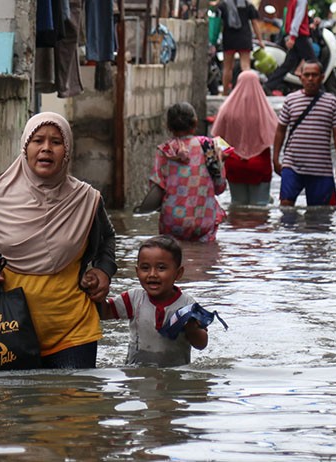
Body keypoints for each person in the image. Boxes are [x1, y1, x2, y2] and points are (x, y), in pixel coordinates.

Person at [0, 112, 117, 370]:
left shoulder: (87, 200)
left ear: (67, 150)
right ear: (25, 147)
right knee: (10, 409)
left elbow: (107, 239)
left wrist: (103, 270)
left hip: (72, 331)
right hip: (8, 329)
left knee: (77, 408)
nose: (46, 148)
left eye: (56, 141)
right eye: (38, 140)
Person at [99, 235, 208, 367]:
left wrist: (192, 328)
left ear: (178, 273)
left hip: (174, 375)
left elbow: (201, 344)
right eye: (145, 268)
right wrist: (99, 295)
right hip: (136, 374)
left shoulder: (188, 305)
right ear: (137, 271)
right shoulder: (133, 298)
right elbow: (104, 313)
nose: (152, 274)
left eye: (161, 268)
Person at [135, 102, 227, 242]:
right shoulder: (208, 146)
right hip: (203, 219)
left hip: (172, 221)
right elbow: (219, 186)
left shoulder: (164, 150)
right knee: (205, 259)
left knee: (173, 257)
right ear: (195, 123)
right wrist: (222, 162)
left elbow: (157, 189)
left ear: (168, 126)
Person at [272, 60, 336, 206]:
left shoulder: (332, 102)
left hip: (320, 168)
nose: (311, 79)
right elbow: (281, 130)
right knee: (286, 208)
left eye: (314, 75)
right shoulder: (290, 100)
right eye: (307, 75)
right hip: (292, 165)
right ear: (301, 78)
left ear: (322, 77)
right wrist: (275, 159)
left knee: (320, 215)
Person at [211, 70, 278, 205]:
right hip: (259, 164)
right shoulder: (264, 109)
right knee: (260, 207)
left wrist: (228, 155)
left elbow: (217, 138)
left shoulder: (226, 109)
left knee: (237, 205)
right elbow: (276, 135)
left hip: (235, 163)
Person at [262, 0, 316, 95]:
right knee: (313, 61)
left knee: (288, 64)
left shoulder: (291, 1)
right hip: (300, 35)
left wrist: (290, 35)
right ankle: (320, 89)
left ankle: (268, 85)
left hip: (295, 34)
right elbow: (298, 18)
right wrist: (293, 37)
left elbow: (290, 19)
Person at [212, 0, 265, 95]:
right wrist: (260, 40)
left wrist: (213, 40)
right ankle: (247, 91)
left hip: (229, 38)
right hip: (244, 38)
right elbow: (254, 23)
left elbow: (217, 23)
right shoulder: (247, 5)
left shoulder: (223, 5)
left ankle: (225, 92)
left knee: (227, 67)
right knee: (245, 66)